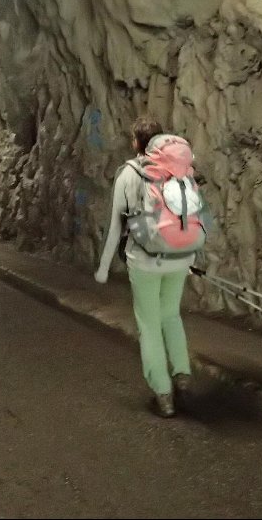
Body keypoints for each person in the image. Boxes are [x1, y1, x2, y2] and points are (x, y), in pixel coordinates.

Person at [95, 116, 194, 418]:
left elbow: (116, 227)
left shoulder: (129, 173)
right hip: (179, 257)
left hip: (146, 261)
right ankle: (183, 375)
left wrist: (103, 269)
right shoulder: (180, 171)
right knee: (171, 316)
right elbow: (189, 218)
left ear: (136, 142)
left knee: (149, 325)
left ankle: (163, 394)